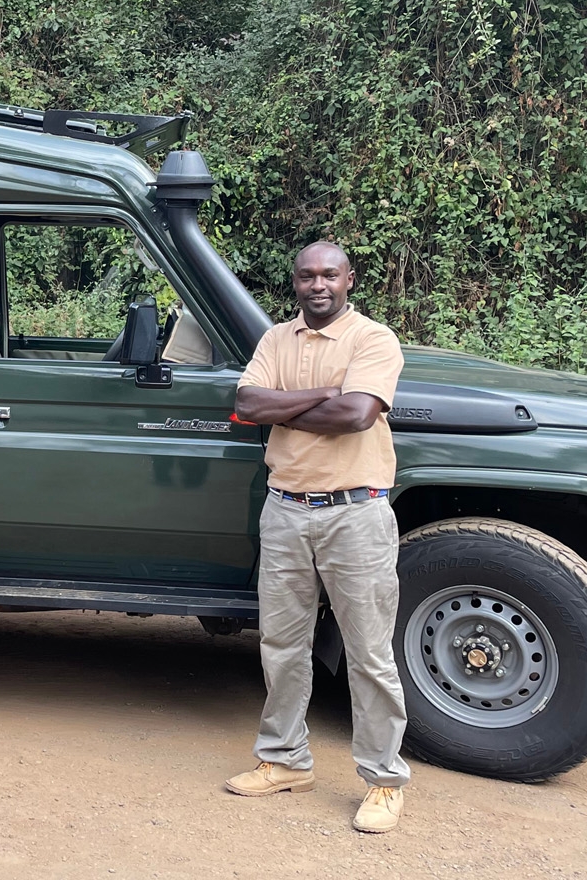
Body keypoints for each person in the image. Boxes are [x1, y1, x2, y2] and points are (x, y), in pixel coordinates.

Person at [226, 240, 410, 834]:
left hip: (356, 512)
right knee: (281, 645)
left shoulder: (373, 340)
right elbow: (248, 403)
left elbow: (358, 415)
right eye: (307, 275)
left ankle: (383, 780)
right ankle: (285, 761)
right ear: (296, 281)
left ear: (349, 279)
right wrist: (326, 395)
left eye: (329, 274)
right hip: (285, 510)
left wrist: (290, 407)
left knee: (369, 653)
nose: (318, 284)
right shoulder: (276, 340)